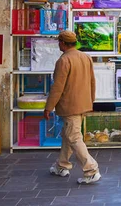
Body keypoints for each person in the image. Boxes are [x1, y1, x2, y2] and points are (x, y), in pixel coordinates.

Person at [45, 31, 100, 184]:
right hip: (83, 104)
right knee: (67, 135)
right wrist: (90, 101)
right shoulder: (86, 57)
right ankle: (62, 165)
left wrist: (48, 107)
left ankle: (91, 170)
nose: (58, 44)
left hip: (70, 106)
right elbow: (92, 82)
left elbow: (57, 88)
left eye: (59, 42)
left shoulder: (64, 60)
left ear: (63, 43)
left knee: (74, 137)